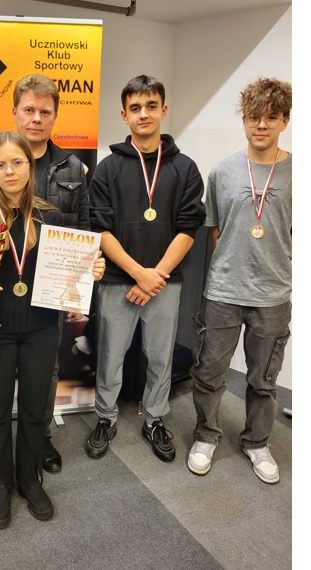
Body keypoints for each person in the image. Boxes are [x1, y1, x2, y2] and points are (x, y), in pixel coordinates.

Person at [0, 131, 105, 529]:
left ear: (29, 166)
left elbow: (68, 271)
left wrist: (90, 269)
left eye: (17, 163)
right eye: (0, 164)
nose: (9, 171)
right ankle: (0, 483)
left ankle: (29, 479)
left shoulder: (50, 216)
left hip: (40, 329)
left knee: (36, 409)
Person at [0, 74, 91, 475]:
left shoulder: (72, 168)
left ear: (55, 115)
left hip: (45, 303)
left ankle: (38, 442)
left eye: (44, 111)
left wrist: (81, 284)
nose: (36, 118)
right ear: (15, 112)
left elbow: (82, 235)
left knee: (43, 382)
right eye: (29, 110)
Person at [85, 74, 205, 462]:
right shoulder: (107, 168)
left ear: (163, 110)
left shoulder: (185, 168)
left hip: (164, 282)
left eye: (151, 106)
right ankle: (106, 417)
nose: (144, 114)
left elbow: (188, 228)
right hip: (118, 280)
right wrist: (139, 273)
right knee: (110, 356)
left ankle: (154, 419)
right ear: (124, 114)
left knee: (160, 356)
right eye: (135, 107)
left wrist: (154, 276)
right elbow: (100, 228)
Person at [187, 77, 293, 483]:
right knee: (210, 370)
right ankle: (206, 435)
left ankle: (257, 442)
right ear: (244, 120)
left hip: (273, 294)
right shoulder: (222, 171)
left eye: (271, 117)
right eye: (253, 117)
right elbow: (215, 231)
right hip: (223, 292)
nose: (261, 125)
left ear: (285, 120)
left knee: (263, 378)